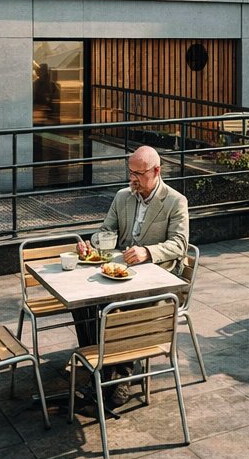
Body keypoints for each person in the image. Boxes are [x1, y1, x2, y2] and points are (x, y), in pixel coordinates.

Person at [73, 145, 189, 406]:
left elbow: (180, 244)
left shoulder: (175, 201)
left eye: (139, 173)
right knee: (83, 306)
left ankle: (118, 381)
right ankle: (101, 369)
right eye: (131, 172)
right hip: (120, 273)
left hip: (157, 281)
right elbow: (105, 231)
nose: (133, 178)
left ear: (156, 171)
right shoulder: (122, 197)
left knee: (116, 311)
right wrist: (92, 244)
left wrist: (147, 251)